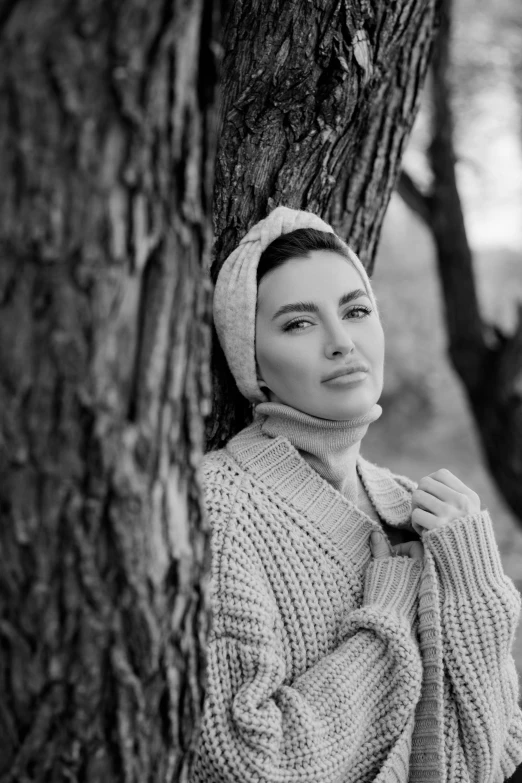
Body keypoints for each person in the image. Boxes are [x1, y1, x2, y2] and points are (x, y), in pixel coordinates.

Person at [191, 206, 522, 782]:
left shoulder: (415, 507)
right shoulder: (221, 506)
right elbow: (245, 761)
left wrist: (475, 582)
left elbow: (495, 754)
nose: (342, 342)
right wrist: (392, 610)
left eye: (356, 310)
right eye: (298, 323)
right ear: (252, 362)